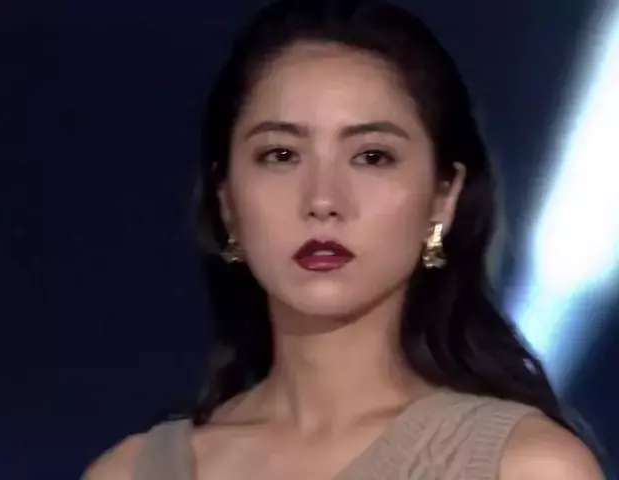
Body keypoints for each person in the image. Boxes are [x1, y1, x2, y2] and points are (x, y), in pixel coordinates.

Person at [83, 0, 605, 478]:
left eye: (372, 156)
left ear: (443, 198)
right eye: (281, 155)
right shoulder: (130, 471)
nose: (323, 200)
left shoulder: (525, 465)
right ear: (227, 201)